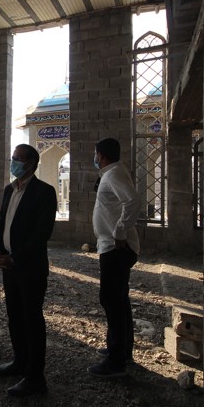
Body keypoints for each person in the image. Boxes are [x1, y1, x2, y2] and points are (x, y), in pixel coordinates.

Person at [0, 144, 56, 397]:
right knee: (15, 316)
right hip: (9, 266)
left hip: (30, 267)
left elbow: (42, 233)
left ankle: (35, 377)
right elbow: (3, 223)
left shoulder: (44, 192)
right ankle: (20, 361)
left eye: (18, 159)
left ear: (31, 164)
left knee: (32, 320)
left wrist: (15, 257)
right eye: (13, 158)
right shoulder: (10, 189)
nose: (13, 162)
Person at [88, 138, 140, 378]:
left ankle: (116, 360)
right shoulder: (112, 173)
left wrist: (119, 232)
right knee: (119, 299)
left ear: (101, 155)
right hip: (112, 246)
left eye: (96, 154)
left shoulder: (113, 174)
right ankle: (122, 348)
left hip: (116, 247)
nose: (95, 157)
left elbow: (133, 201)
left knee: (111, 300)